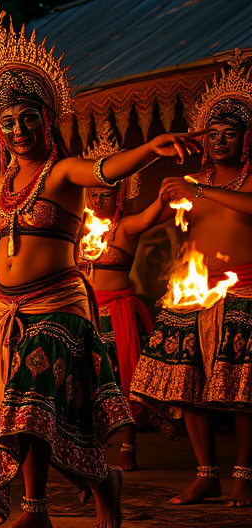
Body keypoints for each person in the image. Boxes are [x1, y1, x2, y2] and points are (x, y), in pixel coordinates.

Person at [0, 0, 200, 527]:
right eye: (9, 122)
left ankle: (75, 491)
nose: (19, 128)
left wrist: (151, 149)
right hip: (3, 313)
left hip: (57, 309)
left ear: (47, 120)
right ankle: (75, 492)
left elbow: (106, 170)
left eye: (28, 118)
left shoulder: (62, 171)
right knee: (14, 416)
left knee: (35, 409)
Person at [131, 48, 252, 507]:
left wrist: (201, 188)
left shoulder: (238, 181)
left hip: (245, 289)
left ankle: (244, 475)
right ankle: (206, 475)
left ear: (246, 139)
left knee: (243, 388)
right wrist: (156, 200)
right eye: (213, 134)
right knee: (188, 385)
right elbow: (141, 226)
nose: (219, 141)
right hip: (195, 292)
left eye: (230, 134)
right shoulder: (190, 182)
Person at [76, 125, 178, 471]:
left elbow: (150, 218)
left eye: (105, 195)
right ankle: (89, 444)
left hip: (117, 314)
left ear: (119, 196)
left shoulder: (126, 227)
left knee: (123, 380)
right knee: (86, 382)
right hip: (84, 314)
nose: (98, 201)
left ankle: (128, 446)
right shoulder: (78, 230)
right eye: (92, 195)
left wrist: (163, 199)